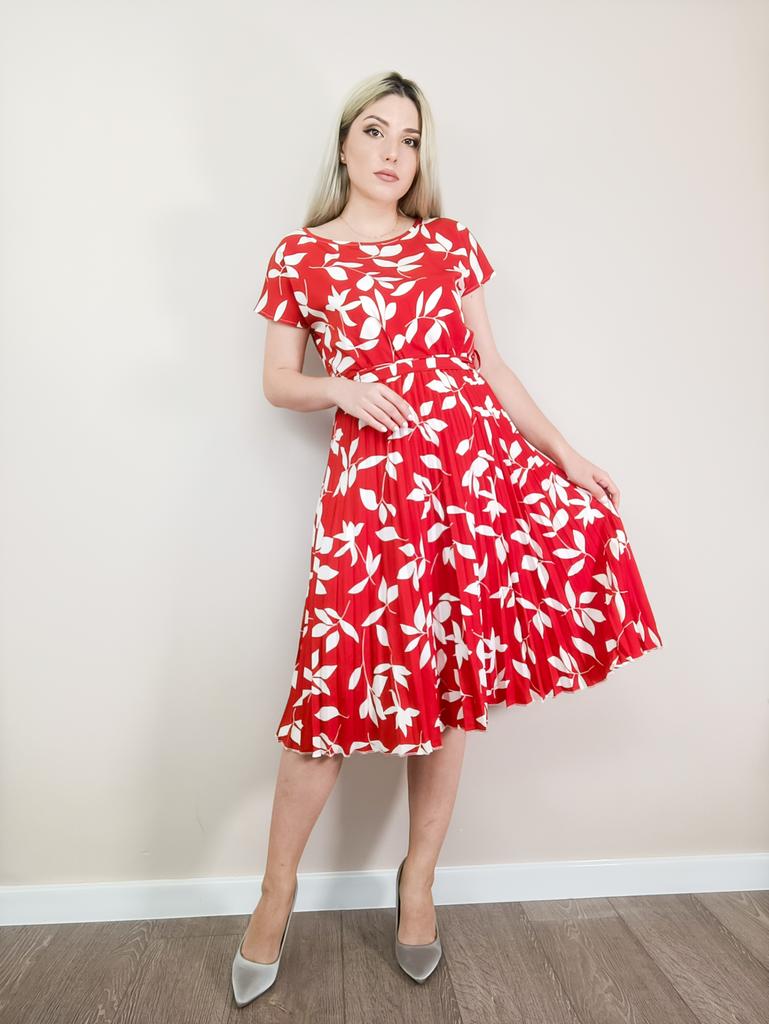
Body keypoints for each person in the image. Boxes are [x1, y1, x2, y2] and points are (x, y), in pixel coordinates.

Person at [232, 69, 663, 1007]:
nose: (392, 152)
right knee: (331, 687)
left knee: (451, 683)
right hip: (372, 492)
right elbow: (277, 380)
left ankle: (417, 884)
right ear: (343, 143)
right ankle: (274, 895)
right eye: (375, 131)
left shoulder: (447, 243)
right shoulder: (299, 255)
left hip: (472, 482)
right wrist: (341, 387)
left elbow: (492, 369)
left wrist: (567, 454)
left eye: (410, 138)